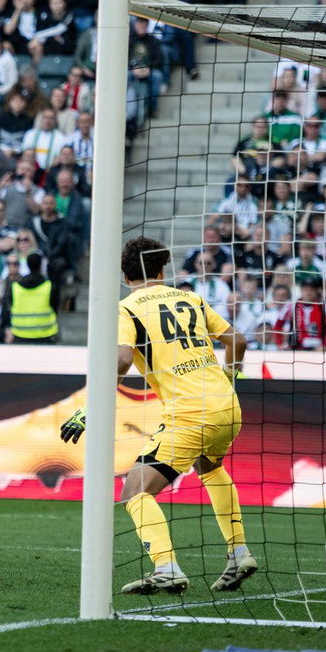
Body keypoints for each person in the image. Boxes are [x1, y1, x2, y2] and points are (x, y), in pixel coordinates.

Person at [60, 236, 256, 595]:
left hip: (190, 413)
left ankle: (167, 568)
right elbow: (237, 341)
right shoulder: (191, 298)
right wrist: (230, 378)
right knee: (209, 467)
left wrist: (91, 408)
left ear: (125, 276)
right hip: (227, 405)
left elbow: (122, 359)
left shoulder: (126, 308)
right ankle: (239, 552)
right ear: (163, 271)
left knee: (134, 490)